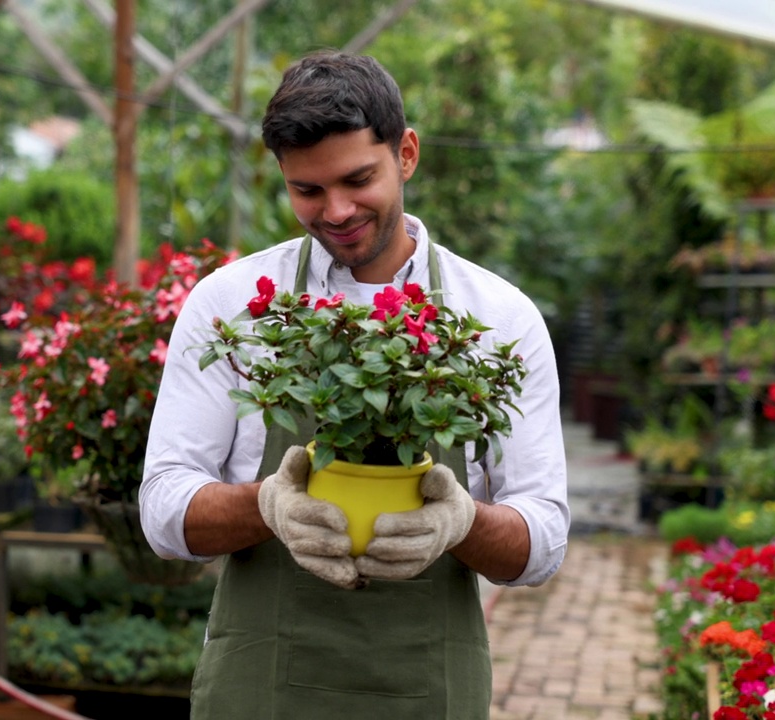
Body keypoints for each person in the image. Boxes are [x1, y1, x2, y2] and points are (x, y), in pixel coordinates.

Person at [140, 51, 569, 718]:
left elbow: (541, 542)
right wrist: (269, 505)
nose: (335, 210)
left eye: (357, 179)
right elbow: (164, 512)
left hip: (427, 690)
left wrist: (460, 521)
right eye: (307, 190)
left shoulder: (496, 318)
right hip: (263, 688)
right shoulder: (230, 308)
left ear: (406, 154)